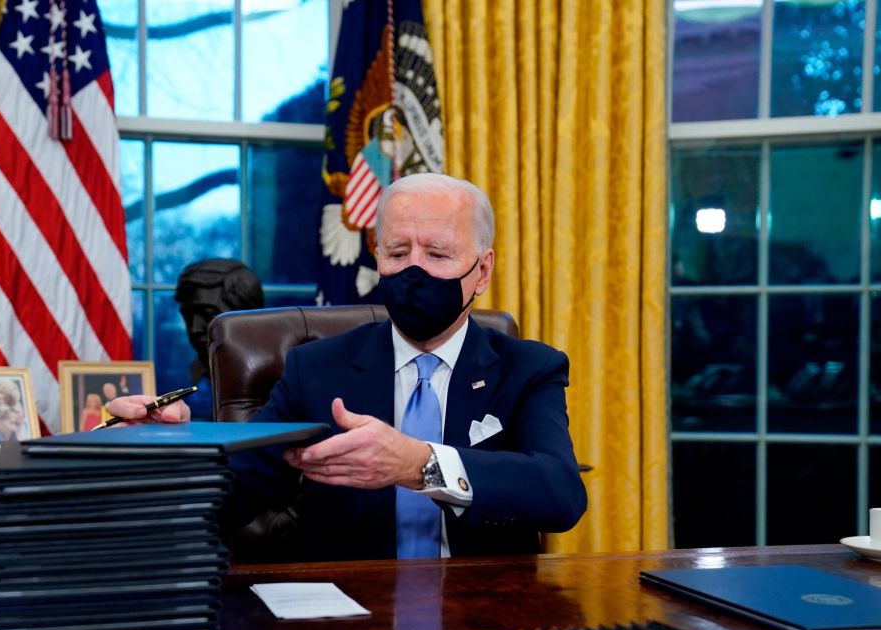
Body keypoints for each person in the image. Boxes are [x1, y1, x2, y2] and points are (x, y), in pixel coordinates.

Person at [110, 173, 586, 561]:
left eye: (437, 255)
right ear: (377, 255)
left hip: (484, 618)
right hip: (347, 622)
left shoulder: (528, 368)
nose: (413, 271)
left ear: (482, 271)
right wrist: (177, 445)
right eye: (397, 253)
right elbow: (233, 492)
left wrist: (420, 464)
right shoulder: (315, 370)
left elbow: (560, 494)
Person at [174, 259, 265, 420]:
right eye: (188, 316)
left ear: (248, 316)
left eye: (208, 315)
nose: (195, 328)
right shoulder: (183, 380)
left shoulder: (282, 380)